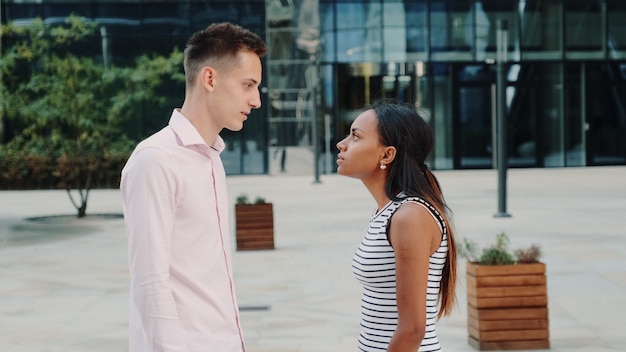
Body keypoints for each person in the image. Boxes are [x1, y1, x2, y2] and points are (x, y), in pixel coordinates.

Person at [120, 22, 266, 352]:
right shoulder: (155, 159)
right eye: (248, 85)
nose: (256, 100)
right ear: (210, 79)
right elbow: (149, 282)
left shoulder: (211, 158)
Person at [336, 99, 457, 352]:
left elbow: (413, 328)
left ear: (387, 154)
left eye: (356, 136)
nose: (342, 144)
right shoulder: (388, 211)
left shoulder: (409, 215)